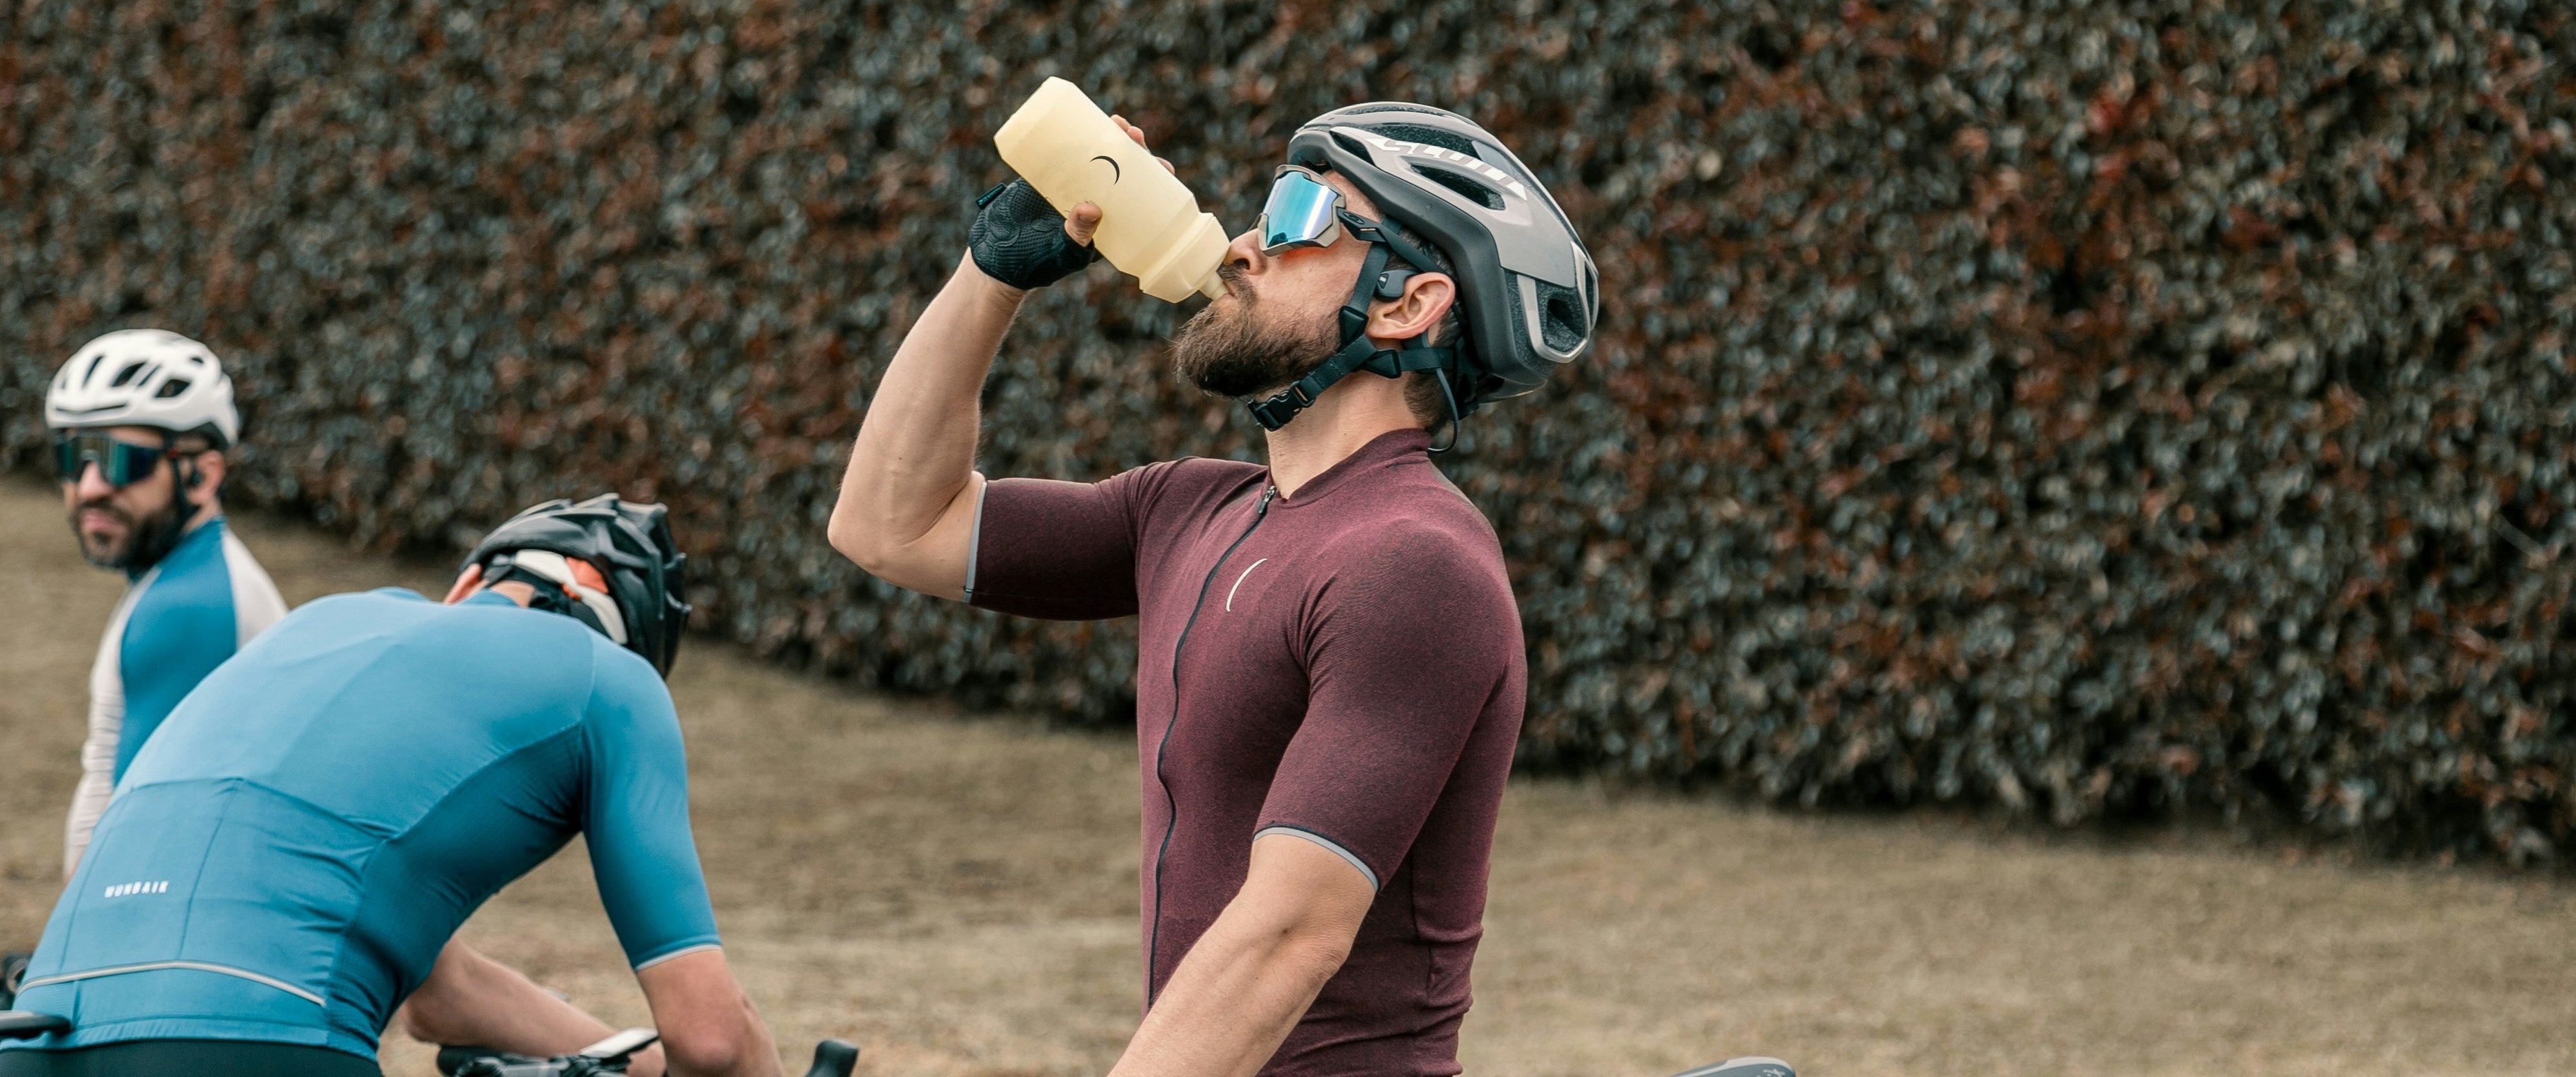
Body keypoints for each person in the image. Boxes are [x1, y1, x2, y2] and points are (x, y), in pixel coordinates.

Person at [829, 102, 1597, 1077]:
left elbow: (1290, 931)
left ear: (1410, 305)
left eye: (1298, 213)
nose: (1242, 246)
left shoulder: (1415, 563)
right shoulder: (1188, 510)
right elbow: (890, 526)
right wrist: (990, 274)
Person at [3, 496, 780, 1077]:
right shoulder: (612, 683)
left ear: (472, 579)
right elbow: (710, 1041)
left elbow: (441, 995)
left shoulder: (324, 623)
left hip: (43, 1029)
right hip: (264, 1036)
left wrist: (623, 1060)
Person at [42, 329, 288, 876]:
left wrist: (73, 960)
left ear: (202, 476)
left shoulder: (186, 608)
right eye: (73, 456)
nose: (88, 487)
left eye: (120, 460)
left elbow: (143, 852)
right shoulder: (193, 575)